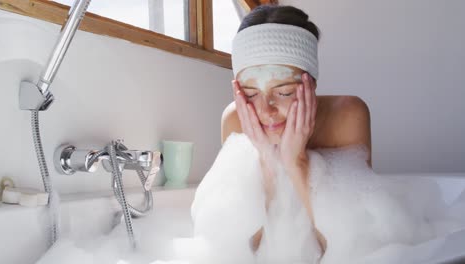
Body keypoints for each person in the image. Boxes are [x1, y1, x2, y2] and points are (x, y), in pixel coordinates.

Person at [191, 4, 465, 264]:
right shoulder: (237, 120)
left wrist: (295, 161)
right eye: (250, 94)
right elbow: (245, 253)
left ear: (312, 84)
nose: (266, 111)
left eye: (284, 92)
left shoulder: (347, 115)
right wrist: (266, 160)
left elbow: (348, 250)